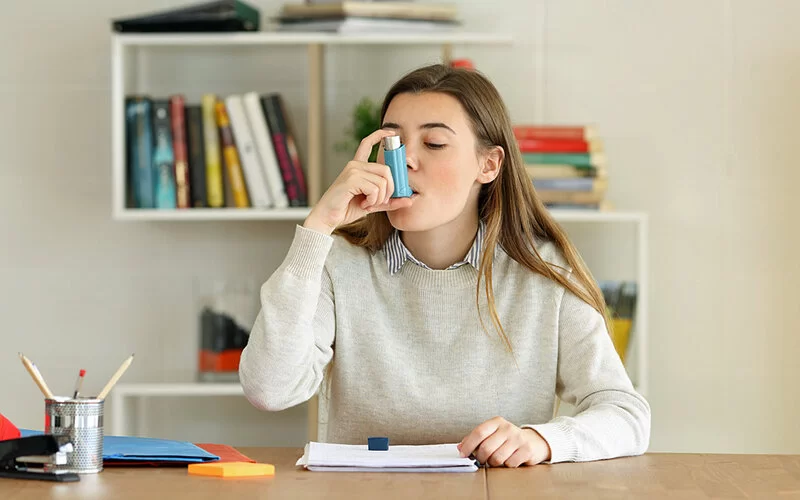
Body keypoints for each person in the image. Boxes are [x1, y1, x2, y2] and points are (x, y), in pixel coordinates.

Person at [240, 63, 650, 467]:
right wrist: (317, 228)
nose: (405, 161)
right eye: (393, 144)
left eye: (434, 144)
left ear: (488, 165)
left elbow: (626, 414)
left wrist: (542, 440)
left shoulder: (543, 272)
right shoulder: (337, 262)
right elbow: (269, 389)